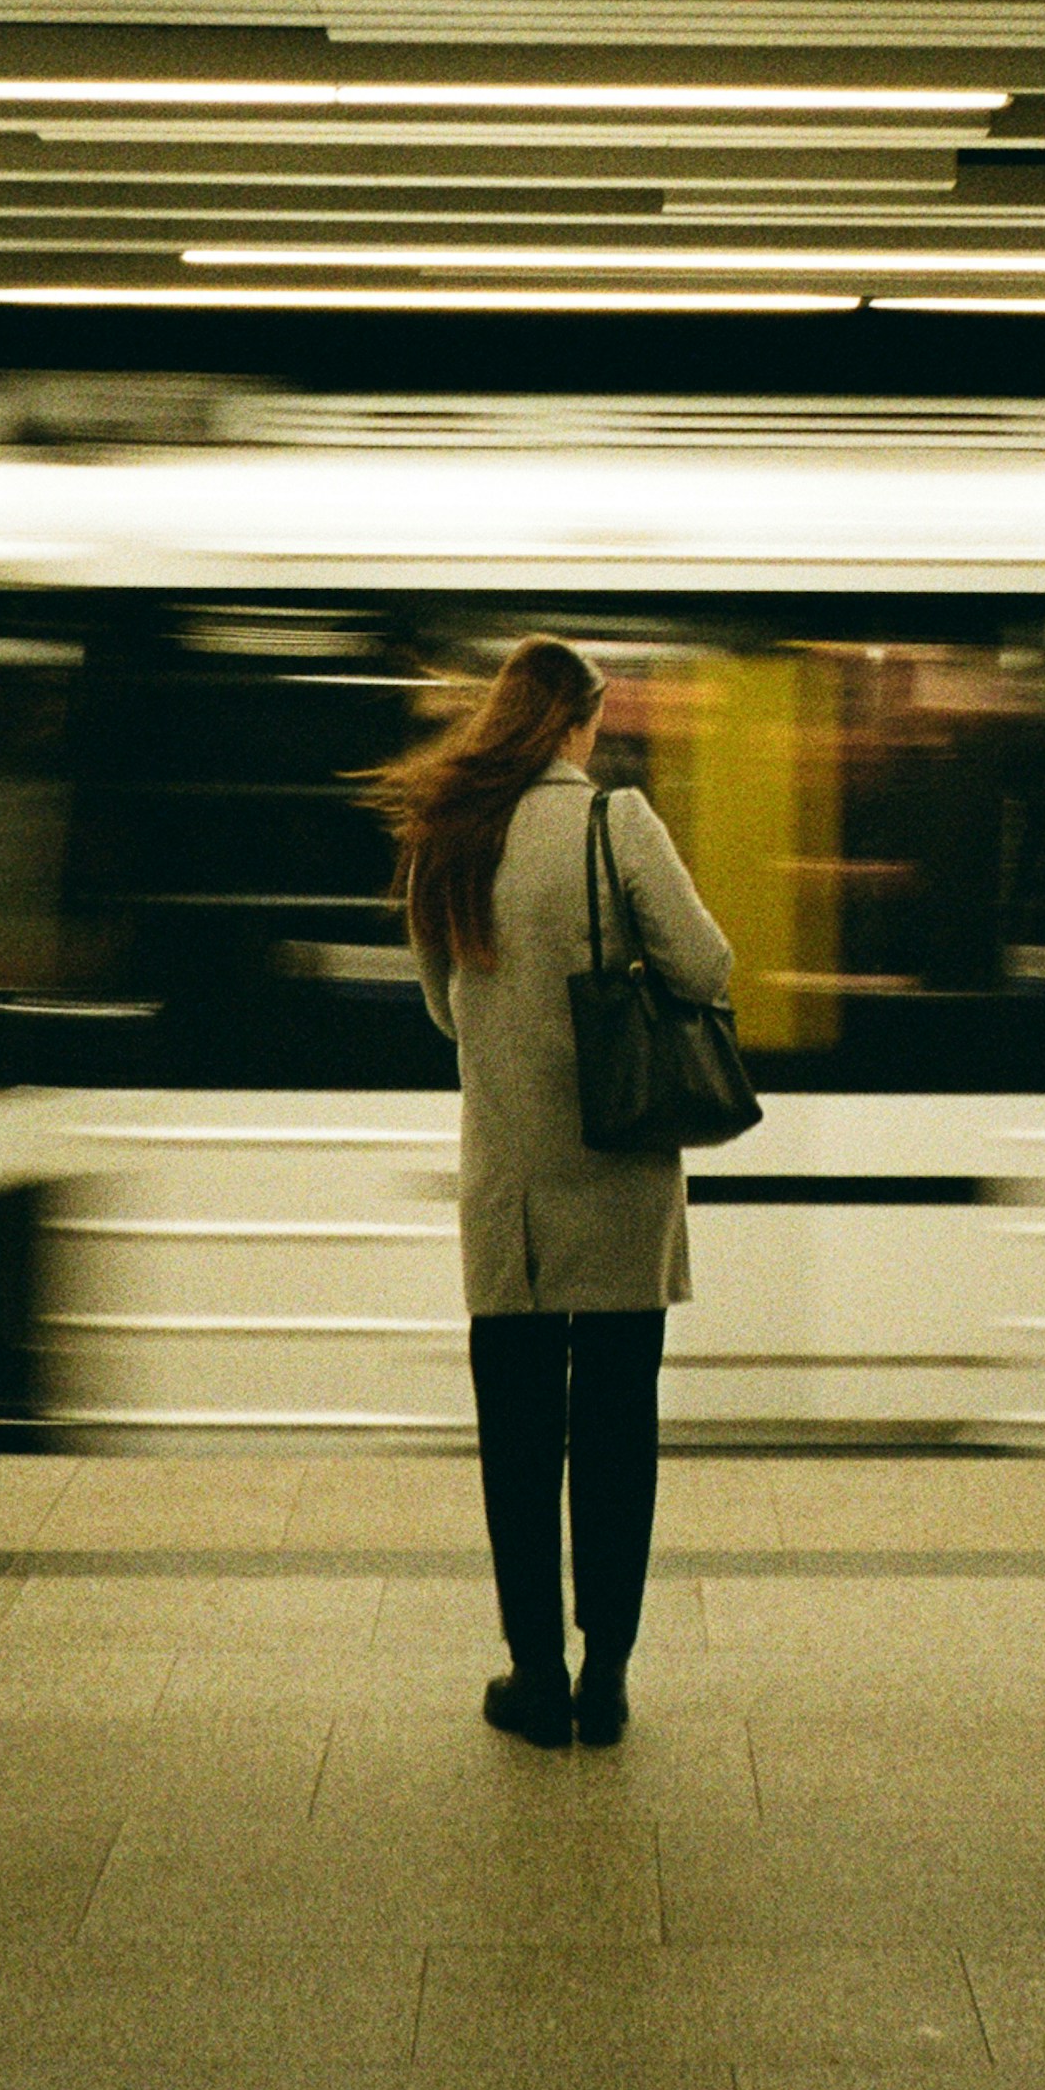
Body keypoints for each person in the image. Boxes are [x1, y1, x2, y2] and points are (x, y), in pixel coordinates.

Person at [366, 634, 734, 1750]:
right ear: (580, 720)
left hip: (510, 1196)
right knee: (617, 1433)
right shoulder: (614, 821)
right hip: (618, 1178)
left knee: (519, 1443)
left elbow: (443, 1009)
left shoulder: (452, 834)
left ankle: (534, 1675)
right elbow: (706, 966)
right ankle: (606, 1679)